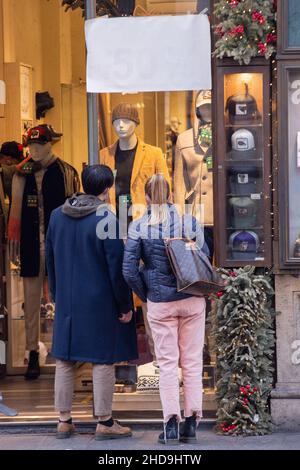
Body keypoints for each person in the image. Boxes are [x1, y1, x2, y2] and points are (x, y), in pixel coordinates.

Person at [46, 164, 138, 440]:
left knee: (64, 359)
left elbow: (49, 259)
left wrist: (55, 294)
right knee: (102, 361)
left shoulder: (56, 216)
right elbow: (115, 268)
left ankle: (63, 421)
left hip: (67, 300)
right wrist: (125, 306)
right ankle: (105, 422)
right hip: (99, 303)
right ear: (107, 189)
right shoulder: (105, 219)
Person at [123, 174, 208, 445]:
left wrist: (145, 294)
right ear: (170, 195)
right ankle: (192, 423)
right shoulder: (189, 221)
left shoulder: (138, 227)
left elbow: (128, 270)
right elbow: (203, 256)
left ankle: (171, 424)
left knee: (168, 364)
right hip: (192, 299)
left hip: (161, 303)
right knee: (193, 362)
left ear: (146, 198)